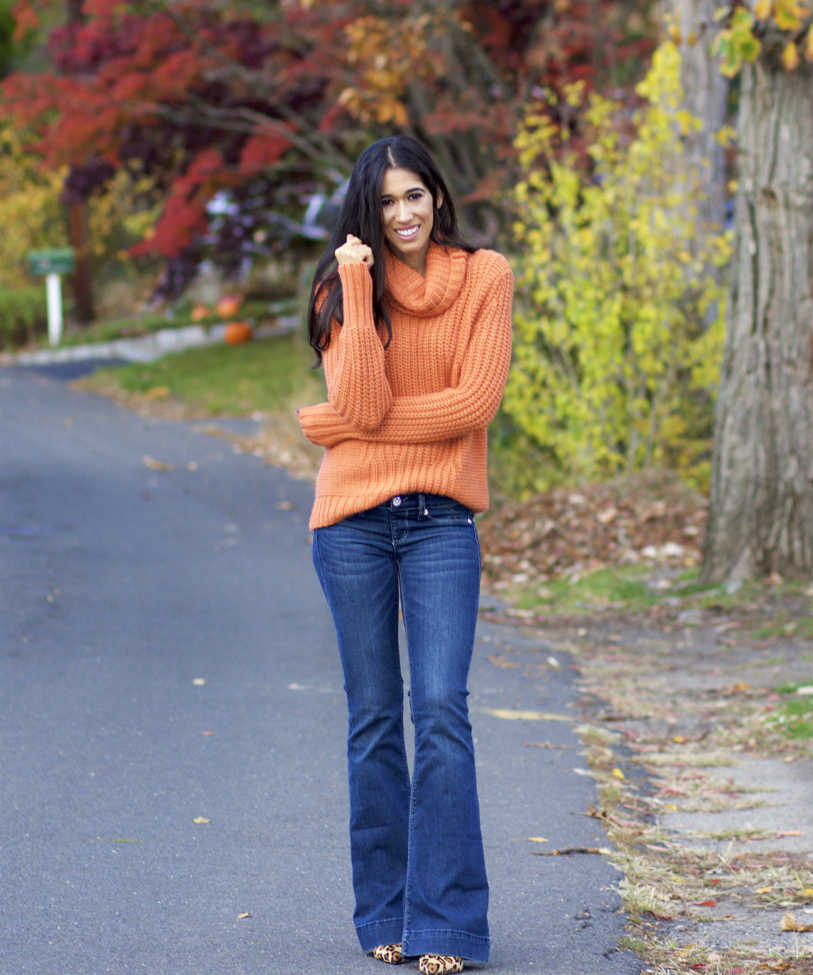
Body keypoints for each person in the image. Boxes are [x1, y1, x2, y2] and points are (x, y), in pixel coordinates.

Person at [297, 135, 513, 975]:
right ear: (367, 211)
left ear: (436, 194)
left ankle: (449, 926)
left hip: (439, 525)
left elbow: (474, 402)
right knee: (375, 718)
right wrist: (355, 283)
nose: (403, 213)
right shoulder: (339, 285)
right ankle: (385, 915)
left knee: (440, 711)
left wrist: (338, 427)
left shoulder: (484, 276)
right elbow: (357, 395)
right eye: (386, 201)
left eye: (414, 194)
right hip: (349, 522)